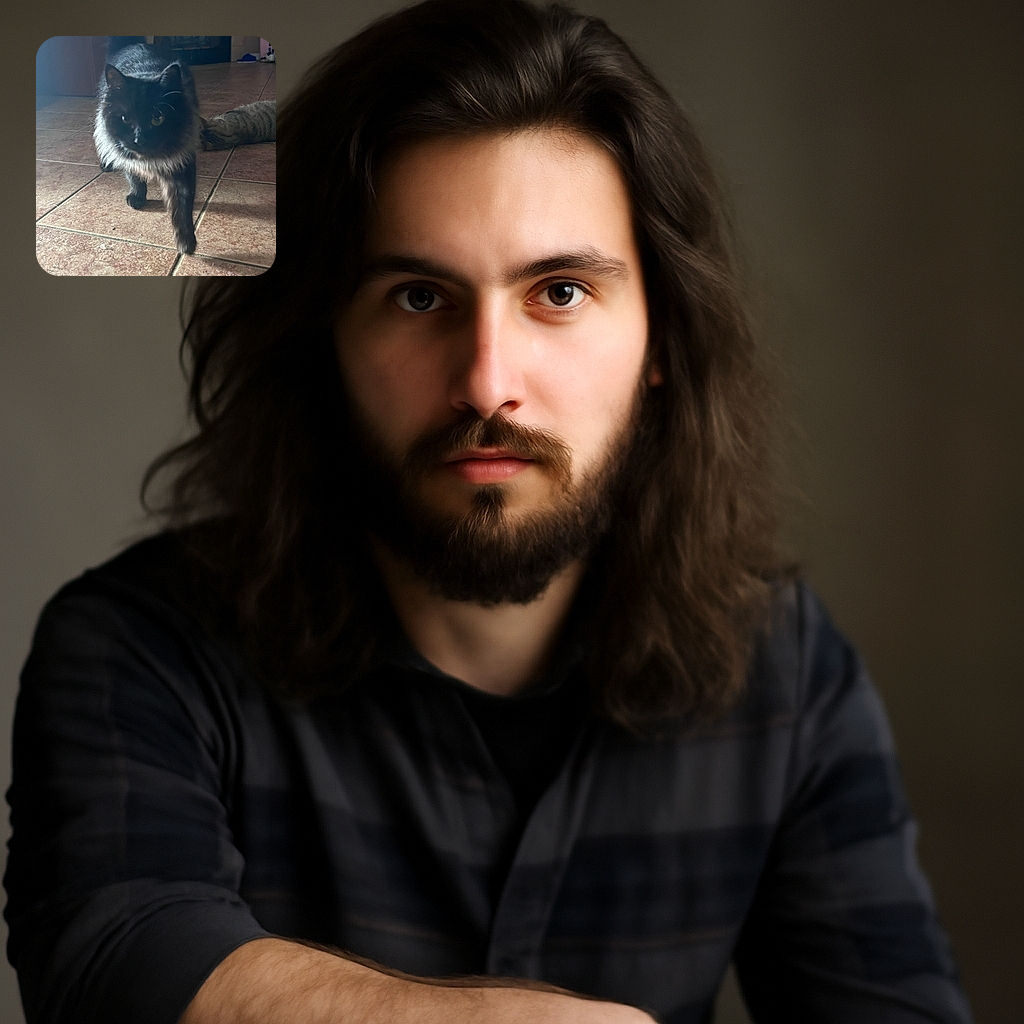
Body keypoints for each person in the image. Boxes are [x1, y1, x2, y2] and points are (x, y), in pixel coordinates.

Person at [4, 2, 972, 1023]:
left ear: (661, 347)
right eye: (420, 297)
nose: (486, 382)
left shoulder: (789, 672)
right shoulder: (138, 647)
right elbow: (116, 956)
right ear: (321, 343)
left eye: (557, 292)